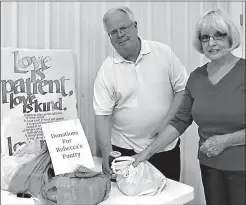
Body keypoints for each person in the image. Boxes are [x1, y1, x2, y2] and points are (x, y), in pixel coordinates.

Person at [133, 8, 245, 205]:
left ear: (230, 38)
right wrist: (147, 153)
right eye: (205, 38)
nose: (211, 43)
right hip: (210, 167)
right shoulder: (196, 77)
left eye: (218, 35)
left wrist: (226, 140)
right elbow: (180, 120)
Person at [93, 6, 188, 181]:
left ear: (135, 26)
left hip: (164, 147)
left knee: (169, 197)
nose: (120, 34)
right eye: (113, 32)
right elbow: (102, 115)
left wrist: (166, 124)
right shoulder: (107, 70)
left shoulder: (163, 52)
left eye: (123, 28)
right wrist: (107, 152)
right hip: (125, 151)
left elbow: (182, 89)